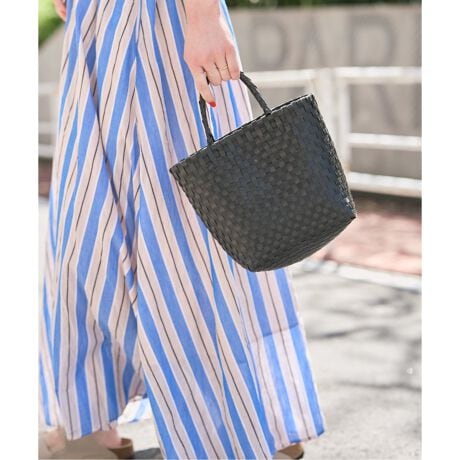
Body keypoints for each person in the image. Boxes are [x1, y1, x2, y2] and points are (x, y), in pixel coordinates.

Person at [39, 0, 326, 458]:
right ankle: (93, 416)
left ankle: (242, 421)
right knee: (89, 219)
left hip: (159, 23)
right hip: (98, 24)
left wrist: (204, 16)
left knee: (190, 220)